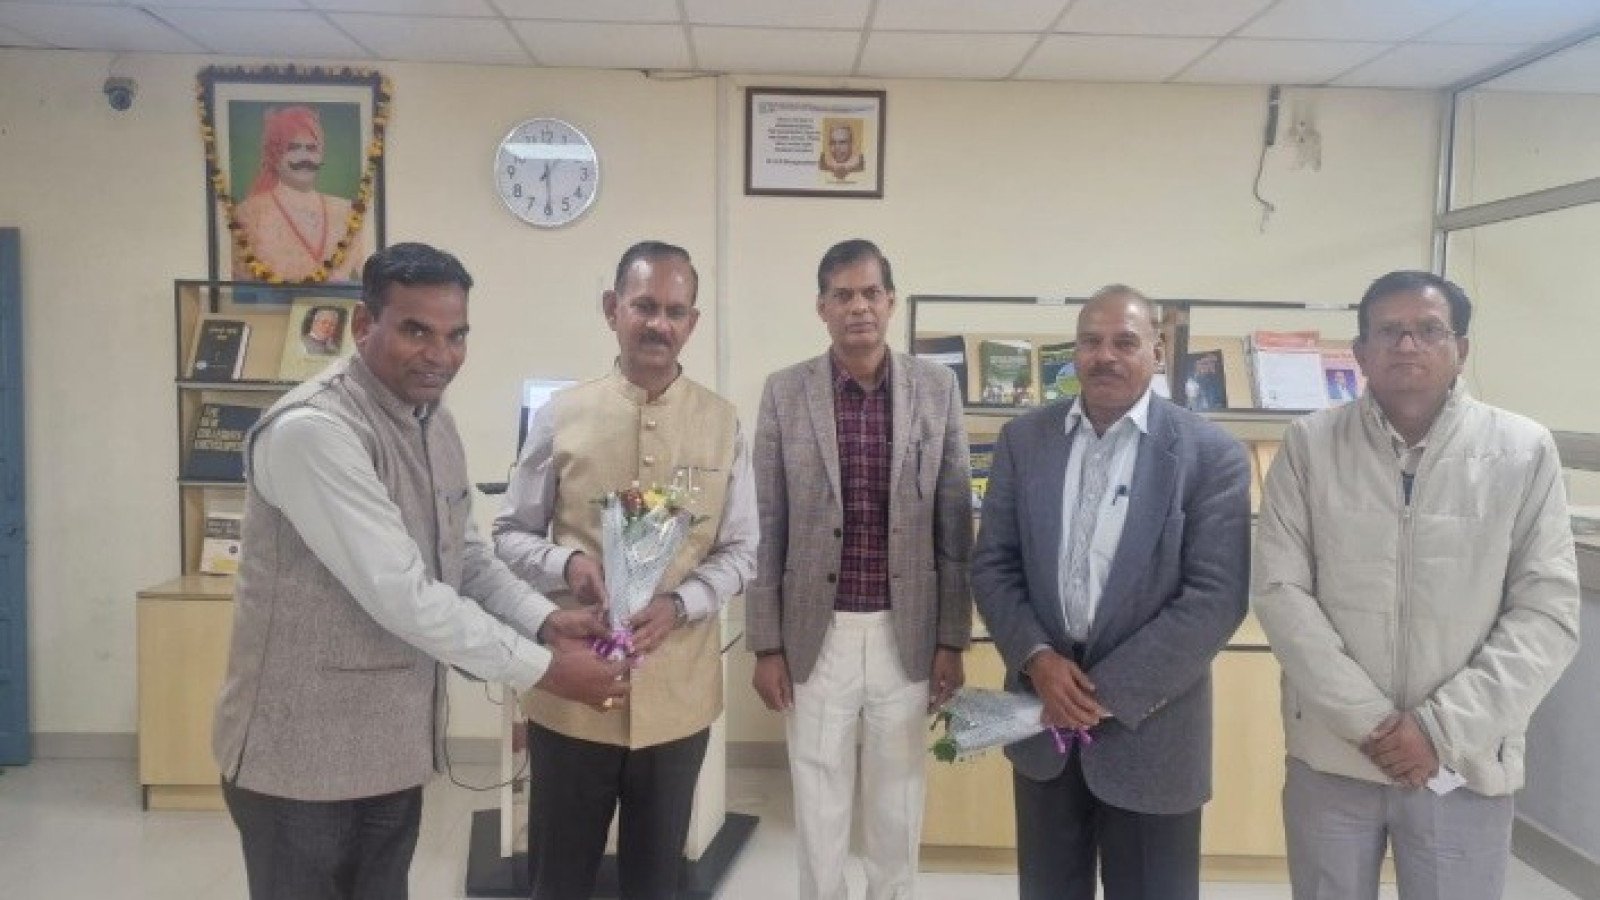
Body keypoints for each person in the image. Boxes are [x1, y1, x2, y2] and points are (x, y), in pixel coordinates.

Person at [212, 242, 628, 900]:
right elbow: (403, 595)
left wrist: (546, 620)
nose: (440, 354)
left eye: (455, 335)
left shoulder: (432, 421)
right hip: (299, 764)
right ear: (363, 324)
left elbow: (463, 556)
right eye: (416, 331)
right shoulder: (314, 432)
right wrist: (546, 670)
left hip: (391, 750)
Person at [1252, 271, 1580, 900]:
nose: (1408, 345)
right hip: (1335, 754)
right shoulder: (1310, 445)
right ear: (1360, 352)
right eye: (1390, 331)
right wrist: (1373, 724)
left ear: (1461, 349)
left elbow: (1547, 613)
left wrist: (1437, 730)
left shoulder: (1521, 451)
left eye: (1429, 330)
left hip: (1461, 759)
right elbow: (1280, 592)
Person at [494, 241, 758, 900]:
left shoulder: (722, 423)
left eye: (675, 310)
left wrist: (681, 603)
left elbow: (742, 551)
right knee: (558, 880)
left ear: (692, 322)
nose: (658, 323)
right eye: (644, 306)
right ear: (613, 308)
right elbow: (509, 534)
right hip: (572, 691)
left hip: (677, 698)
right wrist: (568, 563)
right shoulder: (562, 416)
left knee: (656, 883)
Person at [971, 284, 1251, 900]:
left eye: (1125, 342)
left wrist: (1098, 694)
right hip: (1042, 721)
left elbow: (1215, 598)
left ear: (1157, 349)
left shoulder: (1211, 455)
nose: (1105, 356)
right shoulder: (1024, 441)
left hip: (1153, 731)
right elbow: (993, 565)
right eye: (1090, 341)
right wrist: (1038, 660)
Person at [747, 239, 973, 900]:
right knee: (818, 799)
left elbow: (954, 522)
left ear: (891, 302)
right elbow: (766, 522)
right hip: (816, 633)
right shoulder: (785, 392)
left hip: (908, 631)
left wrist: (952, 638)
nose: (859, 307)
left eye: (871, 293)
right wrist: (765, 644)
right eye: (842, 295)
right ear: (821, 307)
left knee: (898, 800)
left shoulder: (937, 389)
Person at [231, 105, 364, 282]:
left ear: (321, 155)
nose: (304, 157)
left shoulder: (347, 211)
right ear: (274, 155)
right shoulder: (249, 213)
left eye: (311, 148)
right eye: (293, 148)